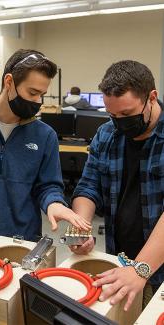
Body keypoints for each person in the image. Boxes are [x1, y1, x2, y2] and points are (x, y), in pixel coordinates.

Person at [0, 49, 91, 251]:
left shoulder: (45, 136)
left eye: (42, 95)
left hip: (25, 244)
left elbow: (48, 187)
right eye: (32, 93)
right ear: (9, 82)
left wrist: (54, 203)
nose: (38, 102)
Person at [71, 60, 164, 310]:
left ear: (152, 97)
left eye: (126, 114)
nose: (119, 122)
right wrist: (81, 227)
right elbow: (89, 185)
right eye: (112, 115)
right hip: (119, 258)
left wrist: (141, 268)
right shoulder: (106, 134)